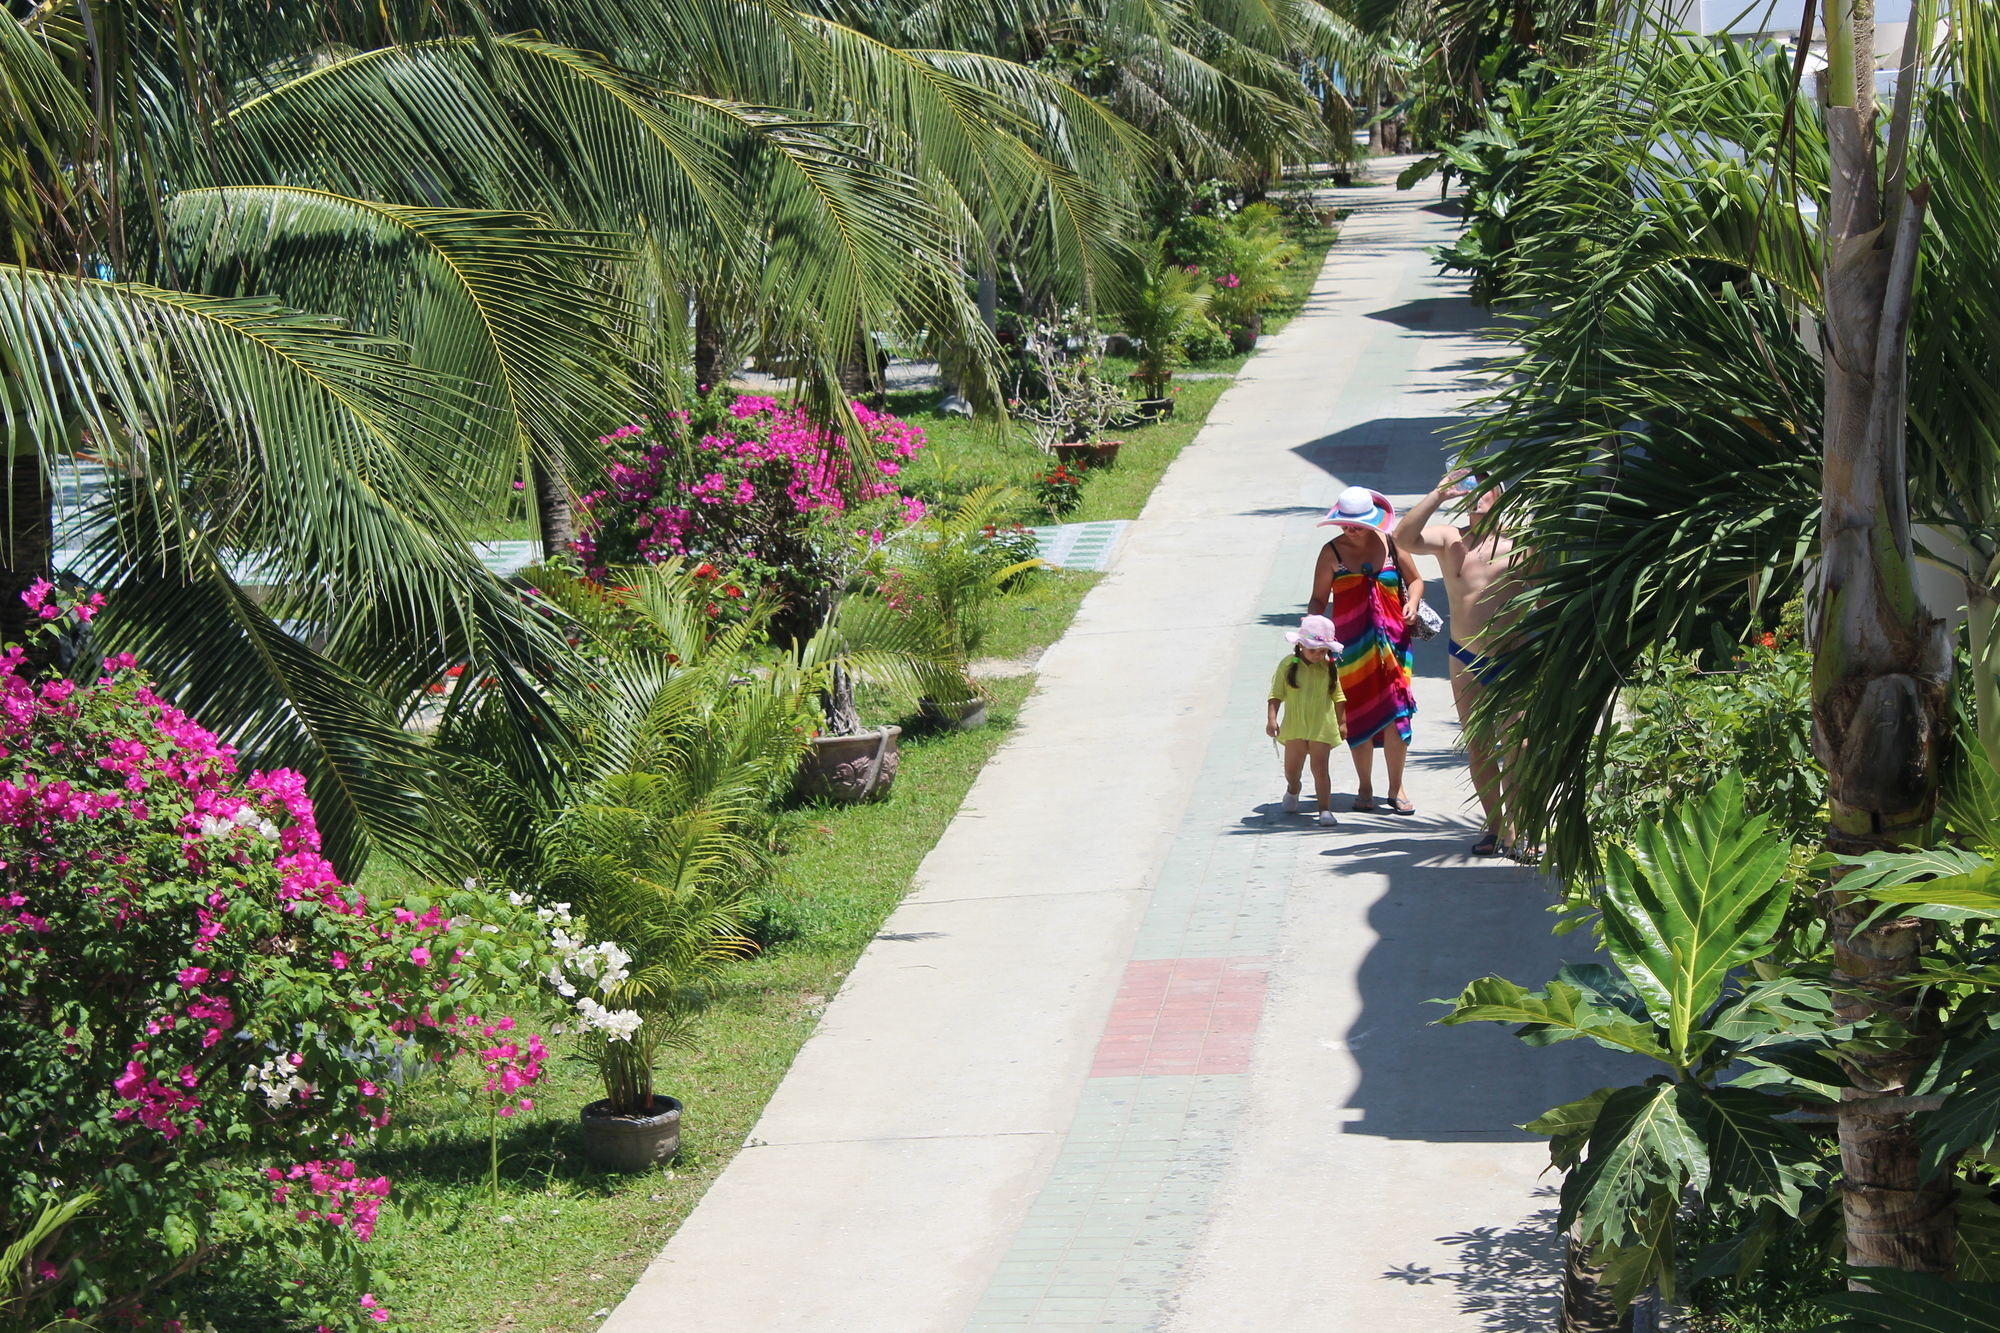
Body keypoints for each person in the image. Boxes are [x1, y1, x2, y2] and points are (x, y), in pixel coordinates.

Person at [1392, 468, 1524, 856]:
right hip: (1465, 656)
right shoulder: (1452, 540)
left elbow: (1547, 595)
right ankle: (1496, 830)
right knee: (1479, 746)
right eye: (1470, 489)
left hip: (1512, 657)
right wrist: (1437, 494)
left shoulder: (1520, 544)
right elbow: (1402, 538)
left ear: (1500, 496)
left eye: (1485, 489)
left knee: (1518, 747)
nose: (1476, 495)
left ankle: (1522, 831)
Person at [1307, 486, 1421, 814]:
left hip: (1394, 647)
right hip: (1352, 651)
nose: (1350, 528)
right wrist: (1313, 628)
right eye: (1345, 523)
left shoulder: (1391, 544)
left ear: (1372, 520)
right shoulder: (1332, 553)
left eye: (1357, 523)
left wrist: (1411, 603)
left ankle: (1396, 786)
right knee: (1358, 716)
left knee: (1398, 714)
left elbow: (1415, 581)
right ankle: (1365, 785)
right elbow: (1318, 598)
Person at [1266, 615, 1348, 827]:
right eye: (1313, 650)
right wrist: (1272, 719)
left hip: (1321, 727)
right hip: (1295, 727)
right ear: (1300, 645)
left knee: (1320, 769)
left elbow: (1338, 697)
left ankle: (1325, 809)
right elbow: (1276, 694)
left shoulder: (1329, 668)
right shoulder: (1287, 666)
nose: (1318, 655)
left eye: (1323, 651)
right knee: (1292, 770)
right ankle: (1294, 788)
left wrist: (1342, 722)